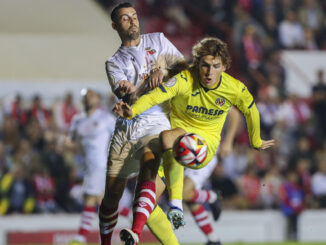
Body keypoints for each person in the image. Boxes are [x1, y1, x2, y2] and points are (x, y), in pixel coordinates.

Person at [114, 37, 276, 243]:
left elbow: (250, 110)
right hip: (174, 147)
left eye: (215, 66)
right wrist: (132, 111)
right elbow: (155, 96)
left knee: (169, 138)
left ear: (225, 66)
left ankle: (176, 205)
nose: (209, 72)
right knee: (145, 200)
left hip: (203, 146)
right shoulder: (184, 79)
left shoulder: (233, 88)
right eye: (205, 66)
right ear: (197, 64)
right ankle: (138, 233)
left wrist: (255, 140)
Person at [99, 2, 186, 245]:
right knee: (112, 196)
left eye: (134, 16)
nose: (133, 21)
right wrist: (130, 90)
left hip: (157, 119)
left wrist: (164, 72)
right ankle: (105, 242)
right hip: (127, 126)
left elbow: (184, 70)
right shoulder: (113, 63)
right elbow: (127, 95)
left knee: (150, 163)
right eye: (125, 19)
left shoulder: (158, 40)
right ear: (115, 26)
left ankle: (135, 232)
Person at [67, 89, 116, 245]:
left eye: (91, 96)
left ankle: (80, 238)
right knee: (102, 201)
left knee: (90, 198)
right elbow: (72, 142)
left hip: (101, 165)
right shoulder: (77, 120)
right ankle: (131, 218)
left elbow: (119, 138)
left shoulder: (106, 118)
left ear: (97, 99)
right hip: (86, 167)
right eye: (85, 97)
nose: (88, 99)